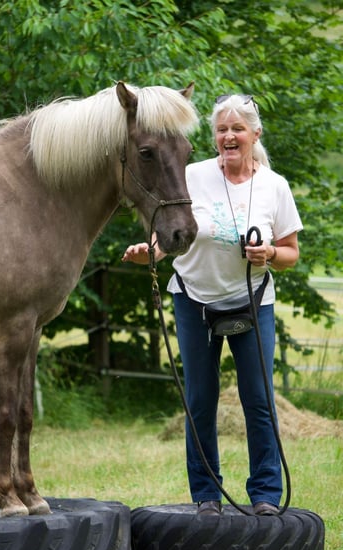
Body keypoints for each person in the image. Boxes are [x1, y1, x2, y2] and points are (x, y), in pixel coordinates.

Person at [122, 94, 303, 516]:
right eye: (222, 129)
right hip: (194, 300)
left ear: (255, 134)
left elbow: (291, 253)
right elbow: (171, 234)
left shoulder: (274, 186)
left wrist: (268, 254)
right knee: (200, 400)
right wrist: (150, 251)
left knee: (259, 399)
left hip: (252, 302)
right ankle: (206, 494)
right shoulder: (193, 175)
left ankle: (265, 494)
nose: (229, 136)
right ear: (214, 137)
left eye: (237, 129)